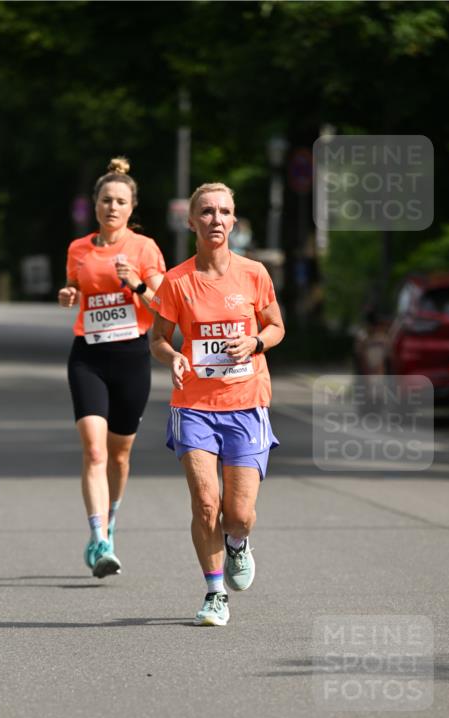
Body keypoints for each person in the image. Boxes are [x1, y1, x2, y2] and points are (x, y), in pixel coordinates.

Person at [150, 182, 285, 625]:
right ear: (191, 221)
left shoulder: (254, 274)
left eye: (224, 212)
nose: (216, 220)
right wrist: (172, 358)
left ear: (234, 220)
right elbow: (158, 339)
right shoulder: (176, 280)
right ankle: (214, 593)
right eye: (206, 212)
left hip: (247, 404)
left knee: (239, 514)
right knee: (206, 503)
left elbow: (276, 327)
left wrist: (256, 342)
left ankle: (237, 543)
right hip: (193, 405)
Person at [58, 157, 166, 578]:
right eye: (106, 200)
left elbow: (161, 305)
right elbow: (75, 286)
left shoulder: (144, 248)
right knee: (94, 450)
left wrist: (136, 283)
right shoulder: (78, 248)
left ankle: (111, 518)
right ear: (96, 204)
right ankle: (99, 537)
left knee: (120, 456)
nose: (112, 207)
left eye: (121, 201)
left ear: (131, 207)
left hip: (131, 357)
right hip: (89, 354)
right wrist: (69, 294)